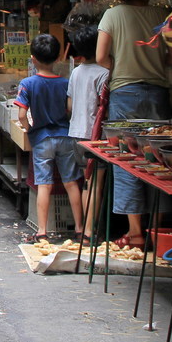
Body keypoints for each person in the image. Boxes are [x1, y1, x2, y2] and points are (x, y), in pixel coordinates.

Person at [96, 0, 172, 249]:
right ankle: (158, 234)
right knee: (159, 160)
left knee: (128, 160)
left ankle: (135, 234)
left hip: (125, 95)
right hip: (157, 95)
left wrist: (121, 66)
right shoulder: (161, 16)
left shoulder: (112, 15)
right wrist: (153, 63)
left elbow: (100, 57)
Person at [16, 34, 83, 241]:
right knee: (71, 183)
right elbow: (70, 109)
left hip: (42, 138)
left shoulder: (28, 83)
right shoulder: (65, 83)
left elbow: (21, 114)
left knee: (44, 184)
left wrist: (28, 128)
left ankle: (42, 231)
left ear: (33, 59)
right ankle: (80, 228)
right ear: (57, 59)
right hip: (65, 136)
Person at [66, 26, 108, 244]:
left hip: (75, 133)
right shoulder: (103, 73)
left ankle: (85, 230)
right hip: (94, 136)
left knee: (86, 182)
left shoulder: (75, 72)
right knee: (95, 185)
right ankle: (91, 232)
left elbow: (70, 105)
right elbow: (103, 108)